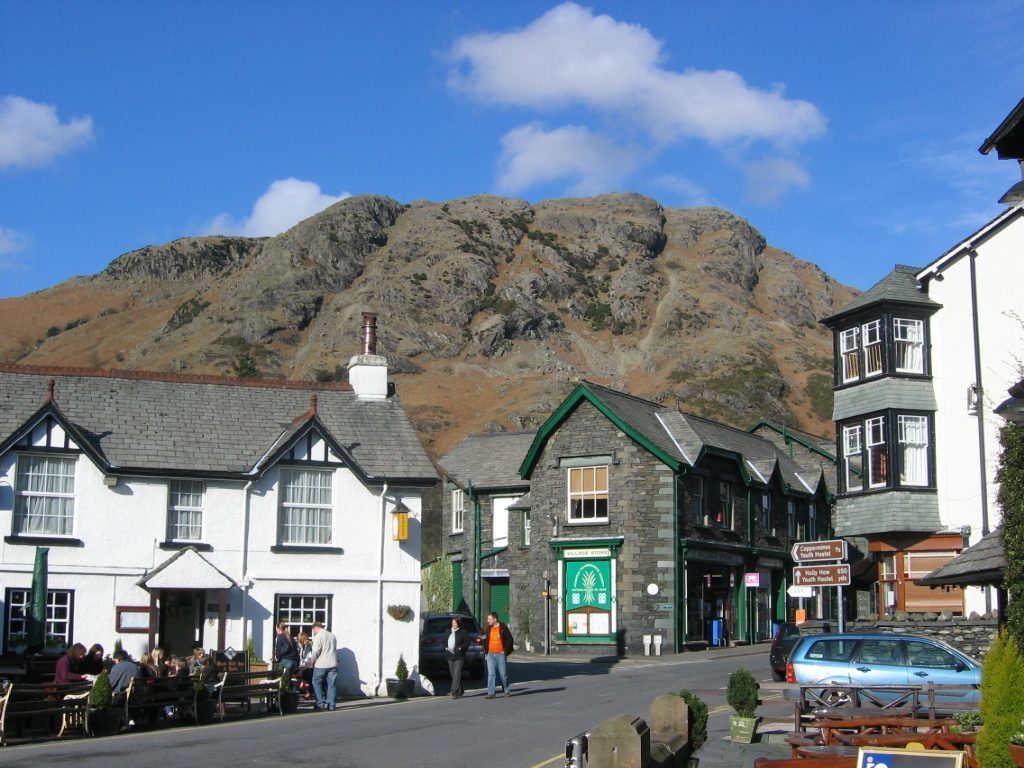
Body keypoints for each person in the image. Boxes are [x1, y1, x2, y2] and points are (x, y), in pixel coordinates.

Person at [483, 611, 514, 699]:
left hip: (500, 654)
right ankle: (491, 693)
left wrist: (505, 651)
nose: (487, 621)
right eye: (488, 619)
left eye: (489, 619)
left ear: (495, 619)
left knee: (503, 674)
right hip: (490, 654)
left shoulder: (503, 627)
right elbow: (486, 641)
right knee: (491, 674)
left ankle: (507, 690)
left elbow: (510, 640)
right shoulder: (488, 628)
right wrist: (486, 652)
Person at [310, 621, 338, 711]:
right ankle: (331, 704)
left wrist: (313, 660)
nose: (314, 632)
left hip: (321, 664)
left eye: (313, 630)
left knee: (316, 682)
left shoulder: (318, 636)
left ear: (315, 628)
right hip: (333, 663)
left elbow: (315, 650)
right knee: (331, 684)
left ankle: (320, 703)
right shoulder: (332, 635)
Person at [444, 617, 470, 699]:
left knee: (456, 674)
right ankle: (460, 690)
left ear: (459, 623)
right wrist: (445, 647)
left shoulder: (463, 632)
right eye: (453, 623)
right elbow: (443, 641)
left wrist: (461, 648)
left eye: (455, 623)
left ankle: (454, 692)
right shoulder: (448, 631)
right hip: (450, 655)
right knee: (453, 674)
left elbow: (467, 642)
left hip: (459, 656)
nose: (454, 624)